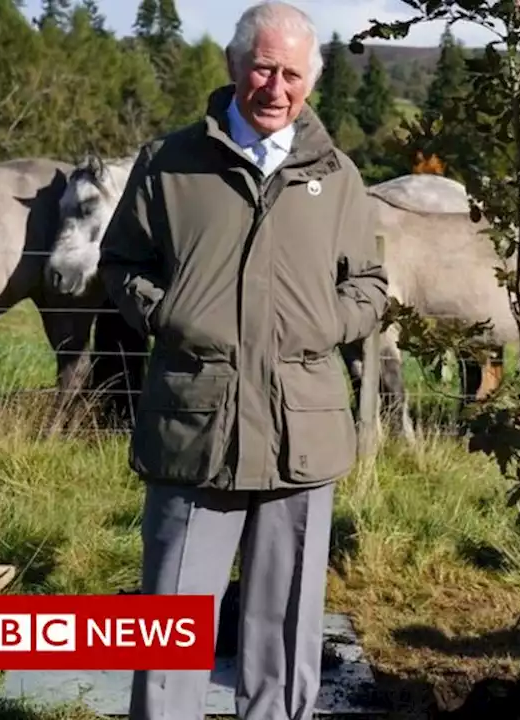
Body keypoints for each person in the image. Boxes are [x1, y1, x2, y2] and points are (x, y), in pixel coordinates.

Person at [96, 2, 388, 718]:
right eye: (263, 67)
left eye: (292, 73)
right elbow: (122, 261)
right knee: (171, 627)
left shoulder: (337, 175)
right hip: (196, 425)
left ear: (310, 82)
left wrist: (325, 323)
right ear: (233, 68)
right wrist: (169, 313)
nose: (276, 86)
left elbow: (370, 284)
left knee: (285, 631)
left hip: (302, 430)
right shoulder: (169, 164)